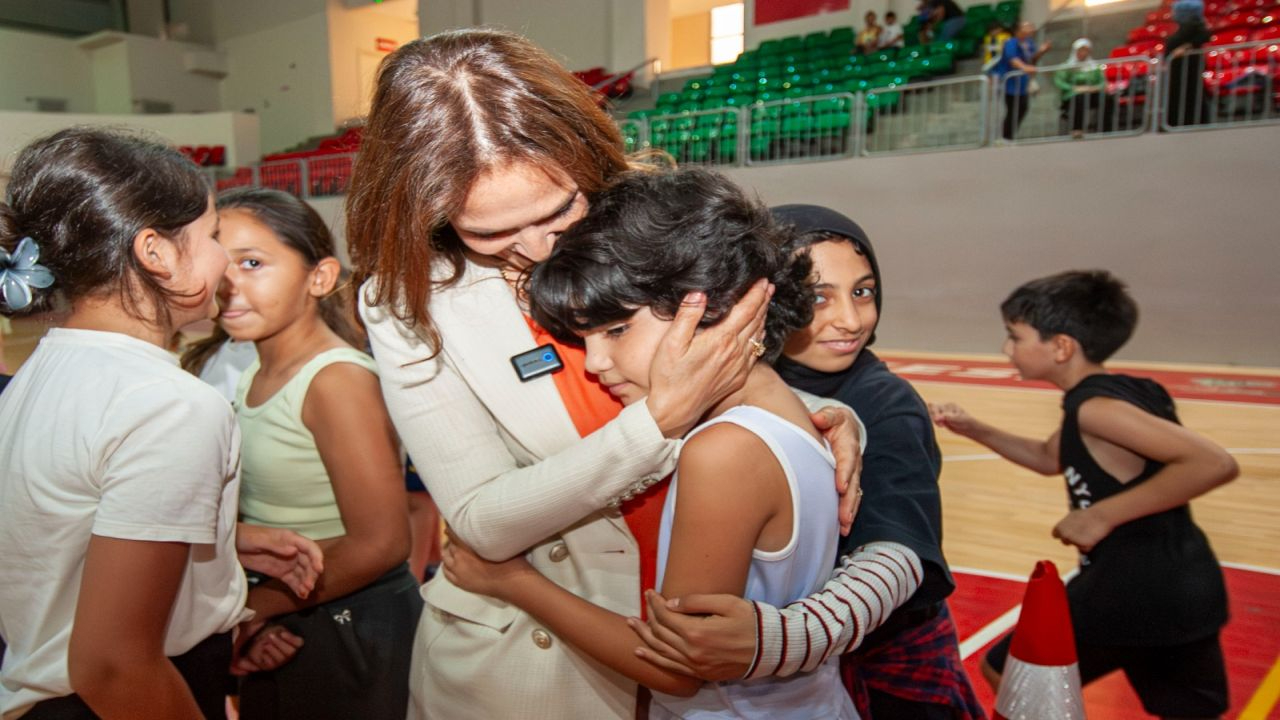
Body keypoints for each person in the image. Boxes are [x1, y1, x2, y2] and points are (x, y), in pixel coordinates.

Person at [347, 29, 866, 720]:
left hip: (699, 647)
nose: (538, 249)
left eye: (559, 210)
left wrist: (820, 417)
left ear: (587, 156)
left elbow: (733, 360)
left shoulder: (643, 216)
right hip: (537, 664)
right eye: (490, 234)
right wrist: (657, 424)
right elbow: (480, 522)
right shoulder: (408, 300)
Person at [443, 167, 863, 719]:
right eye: (585, 338)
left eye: (616, 330)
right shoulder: (786, 413)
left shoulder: (724, 450)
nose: (595, 363)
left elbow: (676, 668)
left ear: (711, 306)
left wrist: (513, 582)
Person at [0, 128, 321, 720]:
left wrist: (223, 542)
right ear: (156, 253)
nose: (224, 260)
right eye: (212, 236)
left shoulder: (41, 369)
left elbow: (61, 529)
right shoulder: (170, 404)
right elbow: (114, 664)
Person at [930, 270, 1237, 720]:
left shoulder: (1096, 409)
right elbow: (1048, 457)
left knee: (1010, 672)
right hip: (1185, 583)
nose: (1007, 349)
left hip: (1130, 588)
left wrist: (1101, 515)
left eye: (1015, 336)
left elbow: (1214, 463)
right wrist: (973, 428)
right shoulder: (1116, 394)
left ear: (1061, 347)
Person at [205, 187, 420, 720]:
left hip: (352, 624)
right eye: (219, 262)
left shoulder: (335, 380)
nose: (229, 283)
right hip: (294, 613)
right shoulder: (257, 372)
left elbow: (382, 543)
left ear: (319, 277)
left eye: (252, 263)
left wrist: (249, 610)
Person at [769, 205, 985, 719]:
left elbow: (898, 547)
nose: (851, 319)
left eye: (863, 292)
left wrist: (791, 636)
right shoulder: (751, 381)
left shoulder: (886, 403)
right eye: (817, 297)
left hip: (886, 663)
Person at [991, 21, 1052, 140]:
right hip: (1009, 83)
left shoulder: (1029, 43)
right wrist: (1024, 67)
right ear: (1018, 30)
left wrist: (1042, 51)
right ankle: (1005, 137)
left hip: (1022, 83)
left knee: (1023, 108)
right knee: (1013, 109)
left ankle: (1009, 136)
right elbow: (1013, 59)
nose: (1030, 29)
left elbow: (1032, 59)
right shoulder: (1011, 43)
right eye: (1027, 27)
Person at [1164, 0, 1211, 127]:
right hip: (1179, 70)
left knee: (1189, 95)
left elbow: (1205, 35)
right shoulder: (1185, 26)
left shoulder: (1194, 25)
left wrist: (1185, 47)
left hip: (1188, 69)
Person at [1055, 38, 1115, 138]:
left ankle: (1105, 129)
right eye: (1080, 50)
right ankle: (1077, 129)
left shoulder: (1095, 67)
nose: (1083, 53)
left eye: (1086, 50)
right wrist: (1074, 88)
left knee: (1106, 98)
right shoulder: (1066, 67)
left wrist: (1093, 88)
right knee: (1079, 98)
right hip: (1073, 94)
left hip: (1092, 93)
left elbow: (1102, 82)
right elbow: (1059, 82)